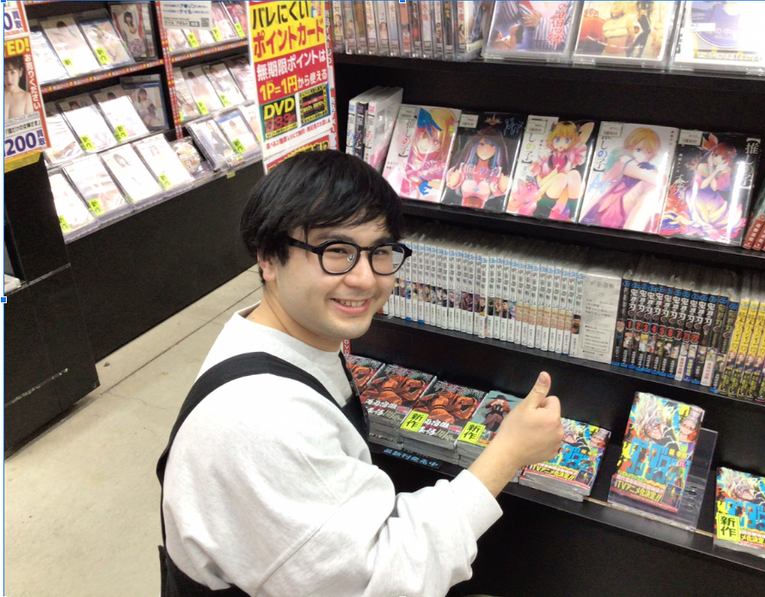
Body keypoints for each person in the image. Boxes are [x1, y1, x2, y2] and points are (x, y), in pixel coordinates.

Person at [158, 150, 564, 597]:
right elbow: (384, 578)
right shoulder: (261, 419)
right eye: (336, 251)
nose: (366, 279)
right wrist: (508, 453)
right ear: (268, 258)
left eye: (380, 252)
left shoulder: (282, 340)